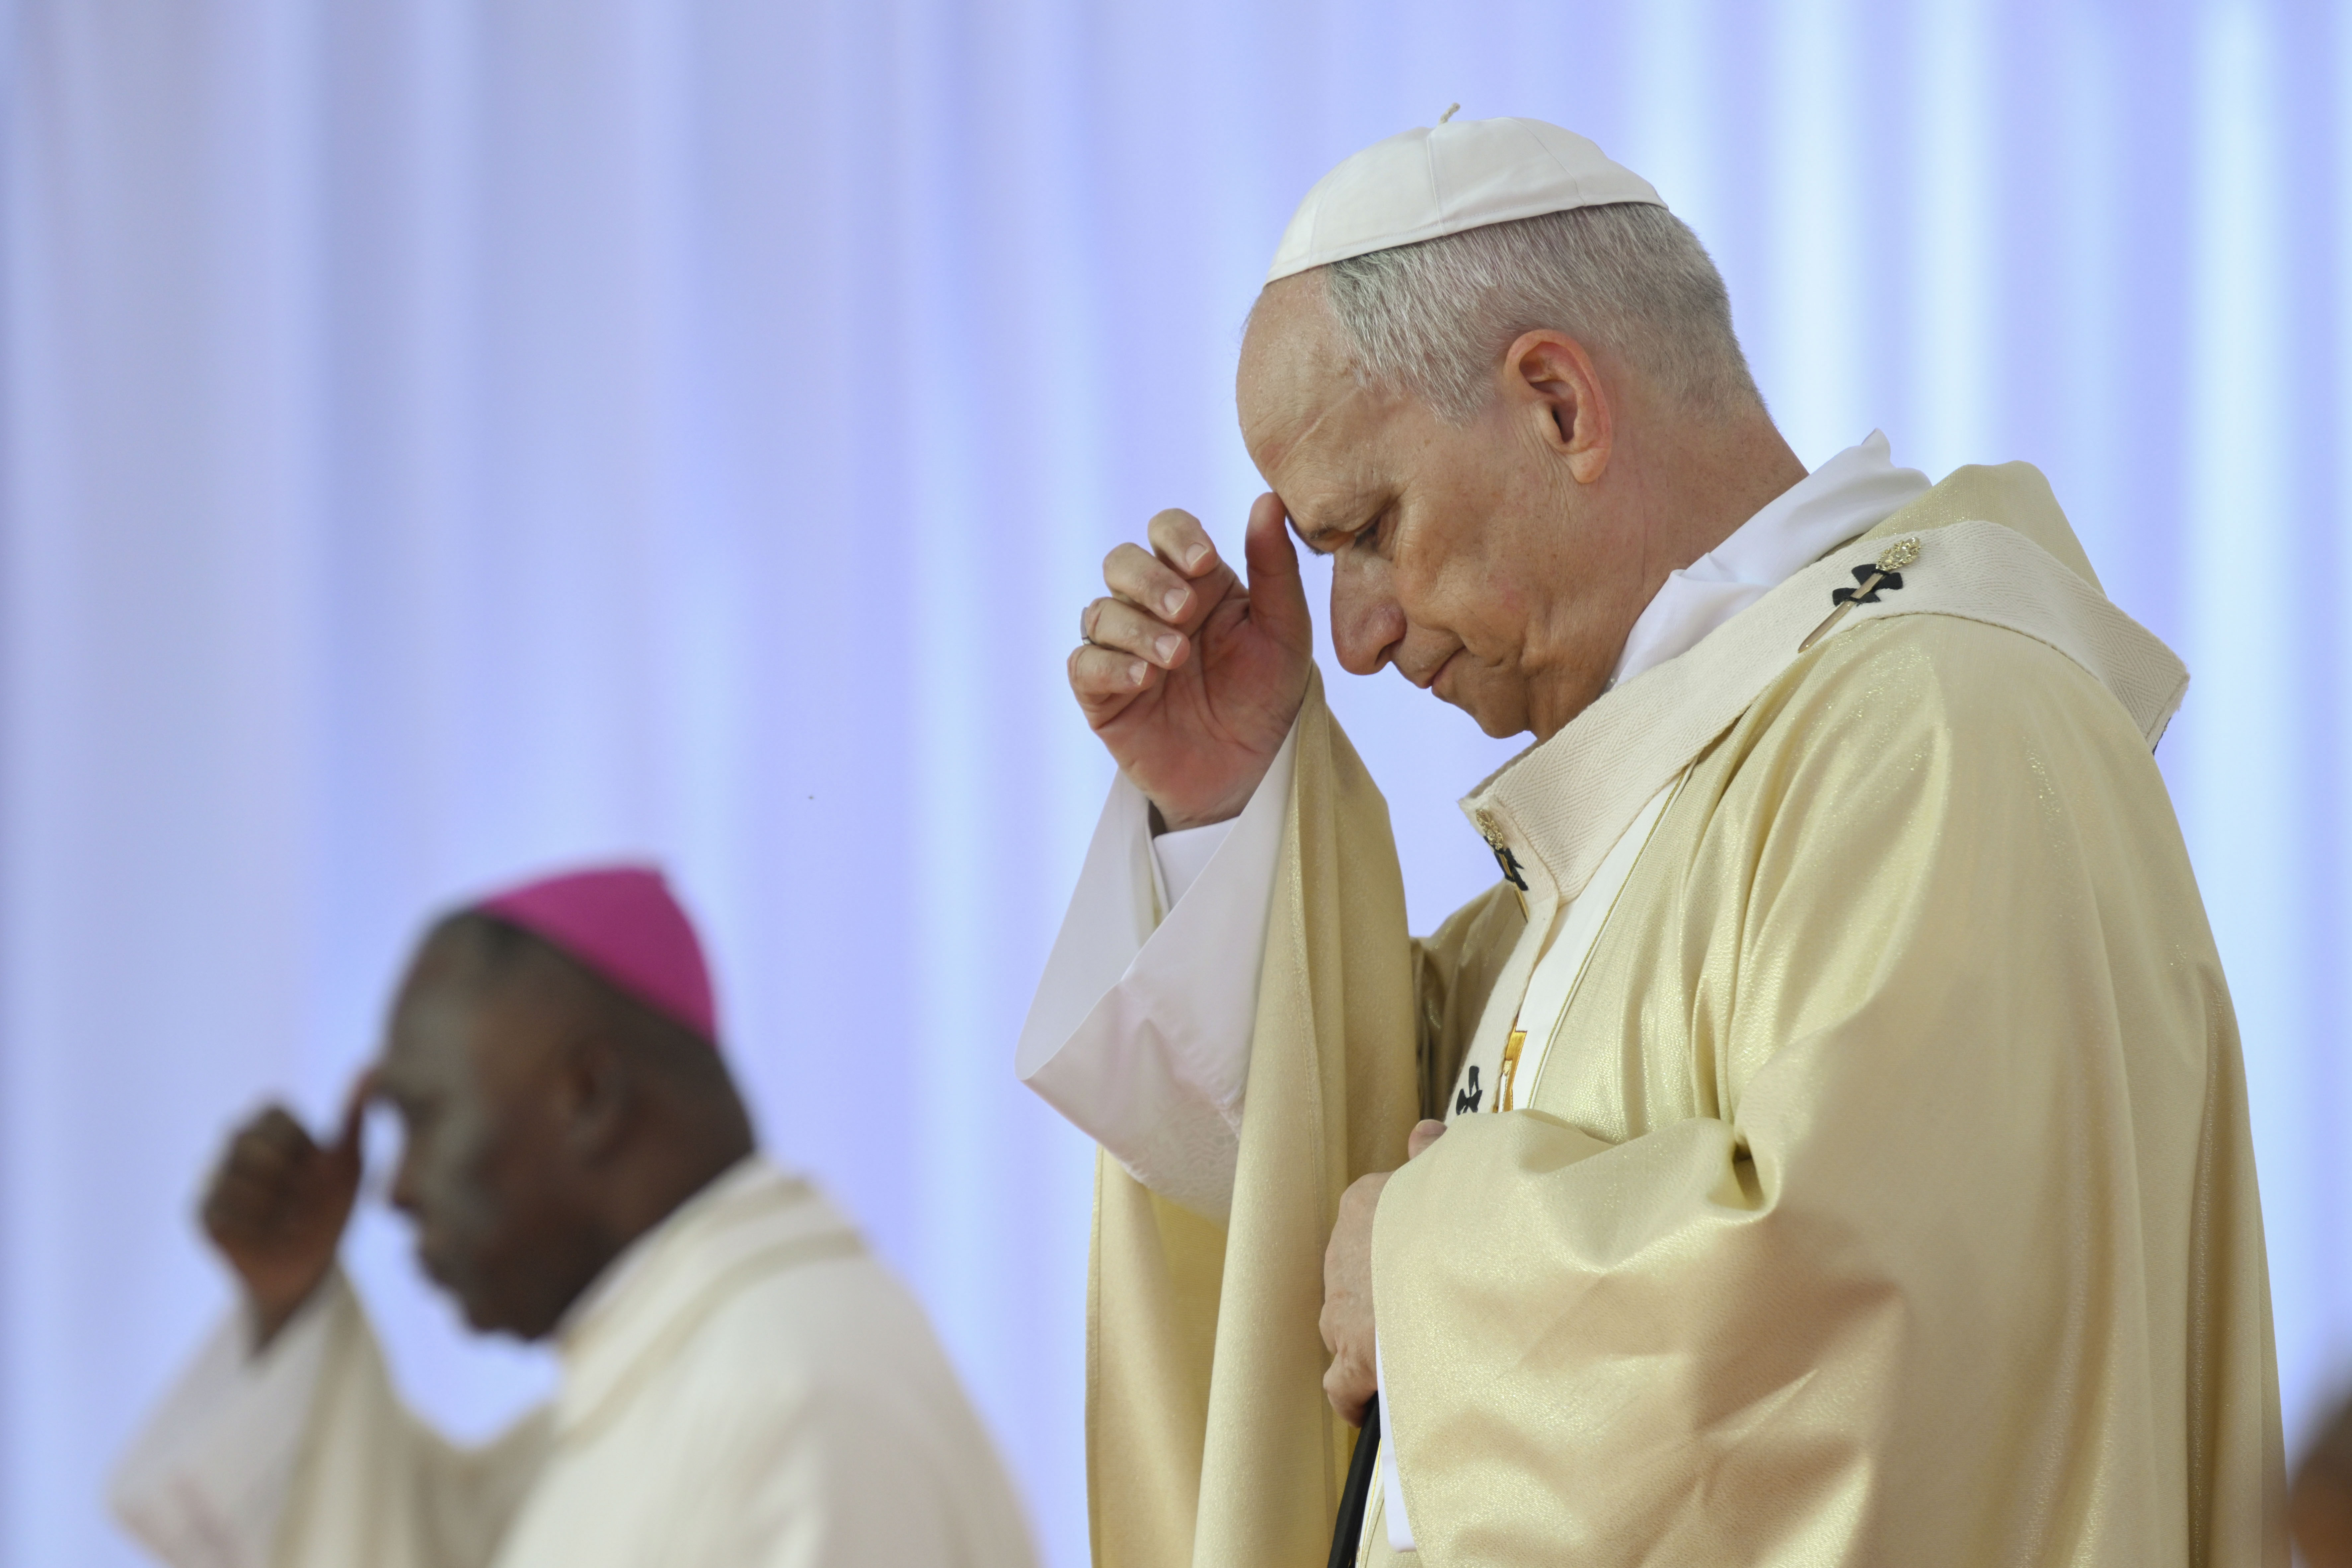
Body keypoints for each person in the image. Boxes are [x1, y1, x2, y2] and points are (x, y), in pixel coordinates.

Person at [1017, 115, 2284, 1564]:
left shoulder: (1932, 728)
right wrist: (1223, 803)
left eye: (1368, 529)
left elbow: (1881, 1332)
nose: (1354, 640)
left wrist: (1430, 1288)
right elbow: (1338, 1154)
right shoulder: (1659, 797)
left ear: (1558, 404)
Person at [114, 864, 1036, 1568]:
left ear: (590, 1095)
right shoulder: (680, 1388)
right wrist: (294, 1302)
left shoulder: (791, 1394)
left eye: (426, 1117)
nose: (392, 1192)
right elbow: (436, 1542)